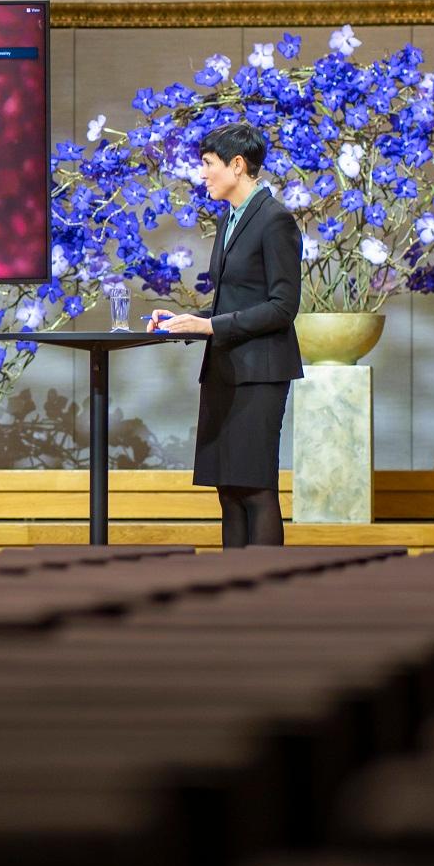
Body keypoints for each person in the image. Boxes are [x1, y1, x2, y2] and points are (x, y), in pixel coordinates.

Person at [148, 123, 303, 549]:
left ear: (237, 165)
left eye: (208, 164)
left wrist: (210, 326)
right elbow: (233, 300)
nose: (202, 174)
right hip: (225, 369)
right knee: (228, 491)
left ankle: (267, 598)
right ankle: (231, 588)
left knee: (254, 488)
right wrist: (186, 320)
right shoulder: (230, 219)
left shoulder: (275, 220)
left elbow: (282, 307)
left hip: (260, 371)